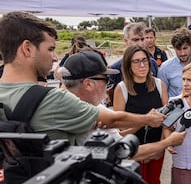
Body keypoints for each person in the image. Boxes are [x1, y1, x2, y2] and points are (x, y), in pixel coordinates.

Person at [0, 11, 165, 145]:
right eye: (50, 49)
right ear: (27, 48)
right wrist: (148, 119)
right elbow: (113, 120)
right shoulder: (53, 100)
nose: (55, 57)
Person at [58, 50, 186, 160]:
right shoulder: (74, 110)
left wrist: (145, 122)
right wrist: (167, 142)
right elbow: (123, 150)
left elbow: (118, 136)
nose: (108, 88)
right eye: (106, 80)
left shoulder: (91, 106)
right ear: (88, 84)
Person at [112, 45, 169, 184]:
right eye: (136, 61)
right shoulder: (121, 89)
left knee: (154, 181)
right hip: (133, 150)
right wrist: (145, 120)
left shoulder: (160, 85)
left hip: (156, 146)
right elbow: (119, 130)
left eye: (144, 60)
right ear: (128, 65)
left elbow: (166, 121)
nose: (142, 65)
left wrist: (162, 145)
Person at [158, 27, 191, 184]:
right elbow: (163, 99)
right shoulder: (165, 68)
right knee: (178, 159)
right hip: (176, 120)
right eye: (178, 49)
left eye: (185, 48)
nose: (182, 53)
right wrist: (168, 126)